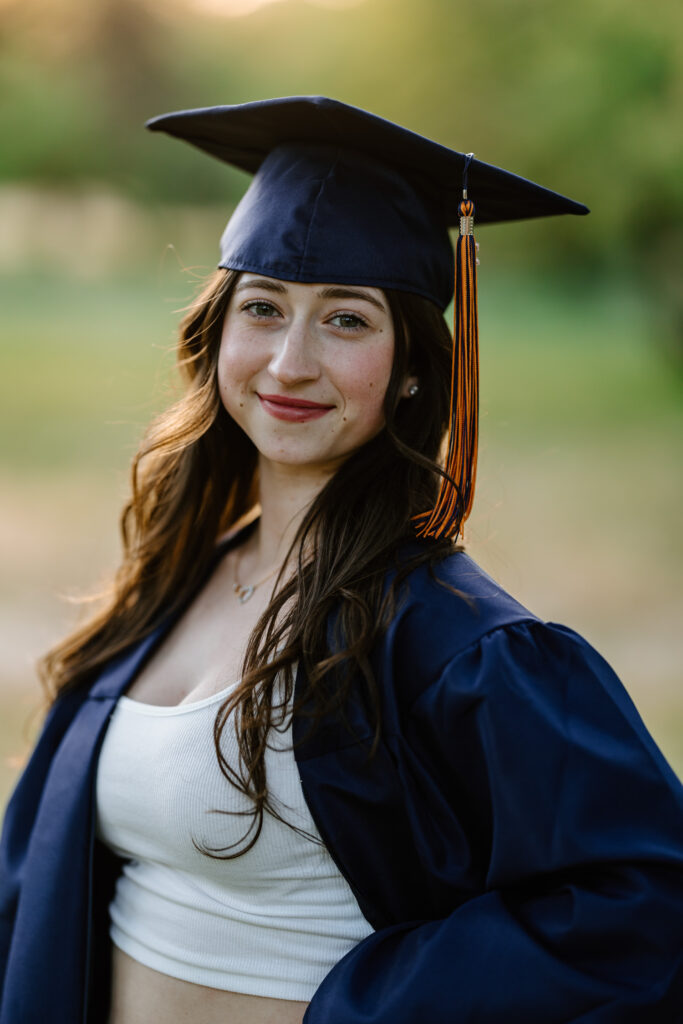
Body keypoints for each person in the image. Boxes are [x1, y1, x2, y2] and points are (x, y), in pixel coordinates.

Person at [1, 96, 682, 1024]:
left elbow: (641, 905)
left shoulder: (455, 643)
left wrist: (366, 1009)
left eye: (347, 321)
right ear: (216, 336)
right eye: (263, 308)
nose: (288, 362)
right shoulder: (180, 574)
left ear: (410, 365)